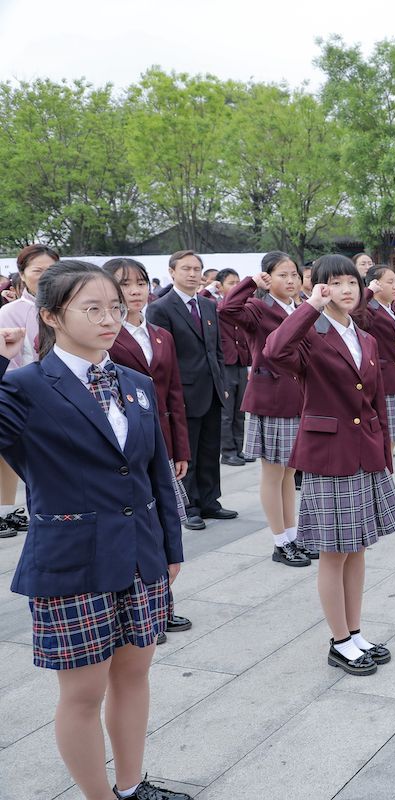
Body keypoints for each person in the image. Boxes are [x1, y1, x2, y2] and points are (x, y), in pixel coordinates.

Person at [2, 260, 190, 800]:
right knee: (83, 692)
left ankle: (131, 786)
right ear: (51, 317)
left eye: (115, 307)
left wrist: (171, 546)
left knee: (134, 676)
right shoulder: (24, 386)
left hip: (140, 554)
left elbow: (155, 474)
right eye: (92, 309)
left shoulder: (135, 383)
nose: (110, 318)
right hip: (73, 560)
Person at [264, 254, 395, 676]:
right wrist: (310, 306)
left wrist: (384, 455)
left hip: (364, 451)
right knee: (333, 553)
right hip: (329, 455)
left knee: (358, 548)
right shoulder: (311, 332)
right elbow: (274, 351)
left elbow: (376, 402)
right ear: (319, 287)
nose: (345, 290)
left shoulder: (365, 338)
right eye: (335, 283)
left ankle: (355, 632)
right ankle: (339, 641)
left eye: (351, 283)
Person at [104, 256, 194, 642]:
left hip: (162, 439)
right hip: (126, 445)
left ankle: (162, 605)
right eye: (124, 284)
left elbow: (174, 394)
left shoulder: (160, 335)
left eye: (140, 283)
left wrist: (180, 448)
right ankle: (143, 611)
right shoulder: (107, 335)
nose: (135, 291)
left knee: (164, 524)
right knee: (138, 525)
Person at [219, 253, 314, 566]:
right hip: (272, 397)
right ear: (268, 278)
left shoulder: (301, 307)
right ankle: (280, 541)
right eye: (282, 275)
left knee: (289, 472)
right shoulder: (258, 308)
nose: (290, 280)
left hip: (299, 396)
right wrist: (251, 283)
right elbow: (227, 309)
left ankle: (292, 535)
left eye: (294, 274)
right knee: (273, 473)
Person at [145, 251, 237, 528]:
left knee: (210, 448)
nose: (193, 274)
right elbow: (163, 356)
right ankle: (189, 505)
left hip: (212, 389)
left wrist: (222, 383)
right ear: (172, 272)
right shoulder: (161, 308)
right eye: (186, 268)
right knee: (188, 451)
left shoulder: (208, 305)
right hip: (183, 391)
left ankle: (210, 501)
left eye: (197, 269)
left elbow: (216, 349)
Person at [0, 243, 58, 537]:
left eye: (52, 270)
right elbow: (10, 364)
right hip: (28, 398)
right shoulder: (11, 312)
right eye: (38, 270)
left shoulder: (66, 308)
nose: (46, 276)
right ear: (22, 274)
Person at [355, 264, 395, 511]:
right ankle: (381, 493)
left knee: (390, 442)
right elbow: (354, 314)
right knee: (383, 440)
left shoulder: (390, 309)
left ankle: (386, 491)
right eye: (389, 282)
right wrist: (368, 292)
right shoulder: (369, 309)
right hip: (380, 381)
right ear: (375, 283)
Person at [204, 268, 252, 467]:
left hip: (241, 362)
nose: (236, 286)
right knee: (226, 412)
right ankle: (228, 451)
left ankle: (239, 449)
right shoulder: (215, 305)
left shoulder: (243, 306)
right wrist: (209, 288)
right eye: (231, 283)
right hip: (225, 364)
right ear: (220, 286)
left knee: (240, 411)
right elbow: (199, 300)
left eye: (238, 282)